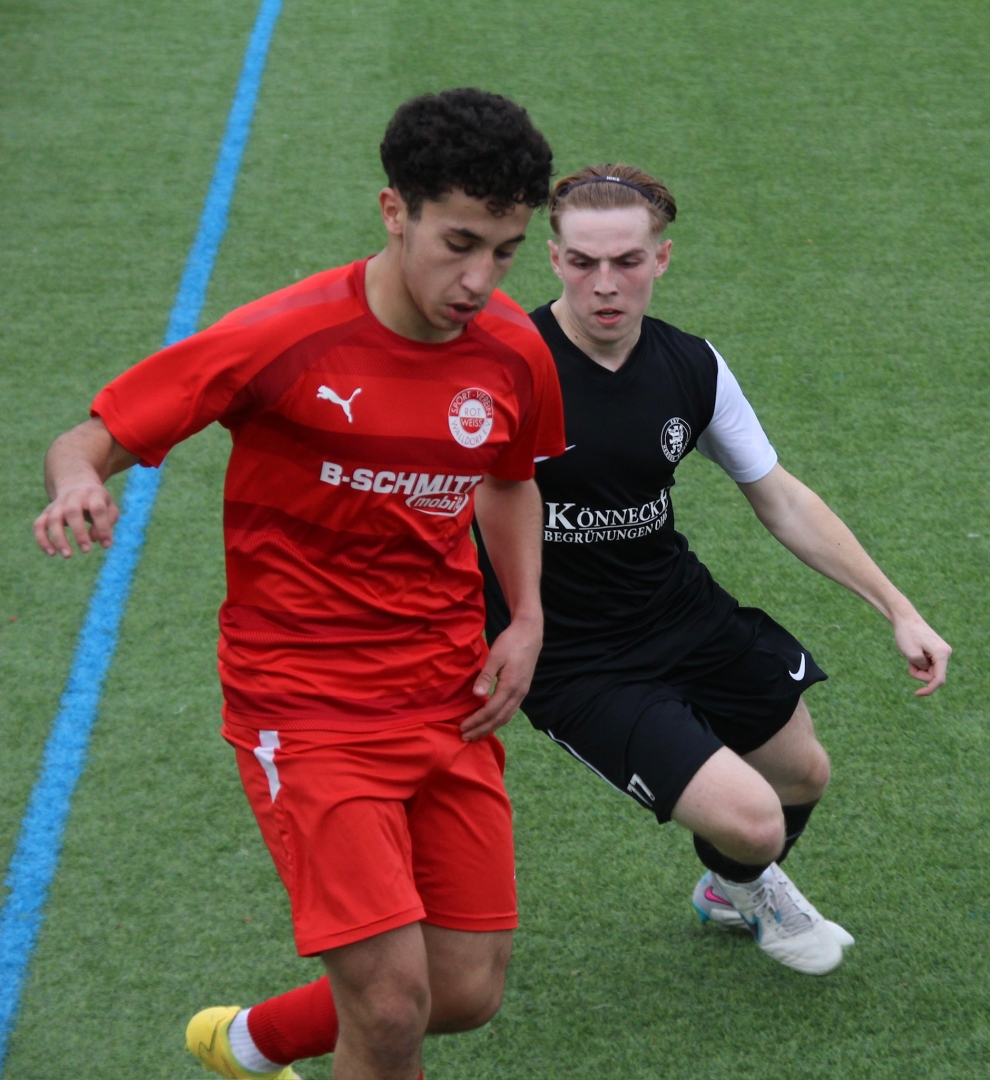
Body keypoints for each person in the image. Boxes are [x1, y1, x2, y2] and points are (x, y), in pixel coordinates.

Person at [34, 88, 564, 1080]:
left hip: (449, 695)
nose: (480, 279)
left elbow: (508, 479)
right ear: (394, 211)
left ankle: (250, 1044)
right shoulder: (283, 336)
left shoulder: (514, 350)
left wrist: (527, 615)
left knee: (462, 992)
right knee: (392, 1004)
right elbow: (91, 437)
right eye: (458, 243)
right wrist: (77, 485)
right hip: (304, 705)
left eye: (505, 252)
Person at [476, 163, 952, 976]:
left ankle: (728, 888)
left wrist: (897, 608)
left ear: (661, 259)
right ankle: (754, 881)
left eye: (627, 260)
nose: (604, 284)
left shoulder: (691, 365)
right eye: (583, 262)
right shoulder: (505, 367)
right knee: (755, 822)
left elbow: (780, 497)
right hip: (574, 655)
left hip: (678, 612)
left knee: (804, 773)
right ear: (553, 258)